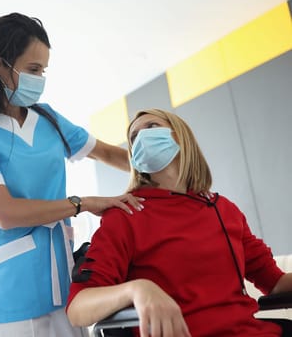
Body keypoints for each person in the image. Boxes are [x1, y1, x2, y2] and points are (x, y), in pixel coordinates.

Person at [0, 12, 144, 337]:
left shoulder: (47, 119)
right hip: (10, 296)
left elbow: (107, 153)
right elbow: (4, 212)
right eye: (32, 69)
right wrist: (82, 203)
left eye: (43, 70)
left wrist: (165, 168)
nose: (40, 79)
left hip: (64, 288)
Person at [66, 108, 292, 336]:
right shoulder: (126, 214)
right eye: (133, 137)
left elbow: (274, 282)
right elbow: (78, 308)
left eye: (152, 127)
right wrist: (137, 290)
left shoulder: (224, 209)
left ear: (180, 136)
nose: (142, 137)